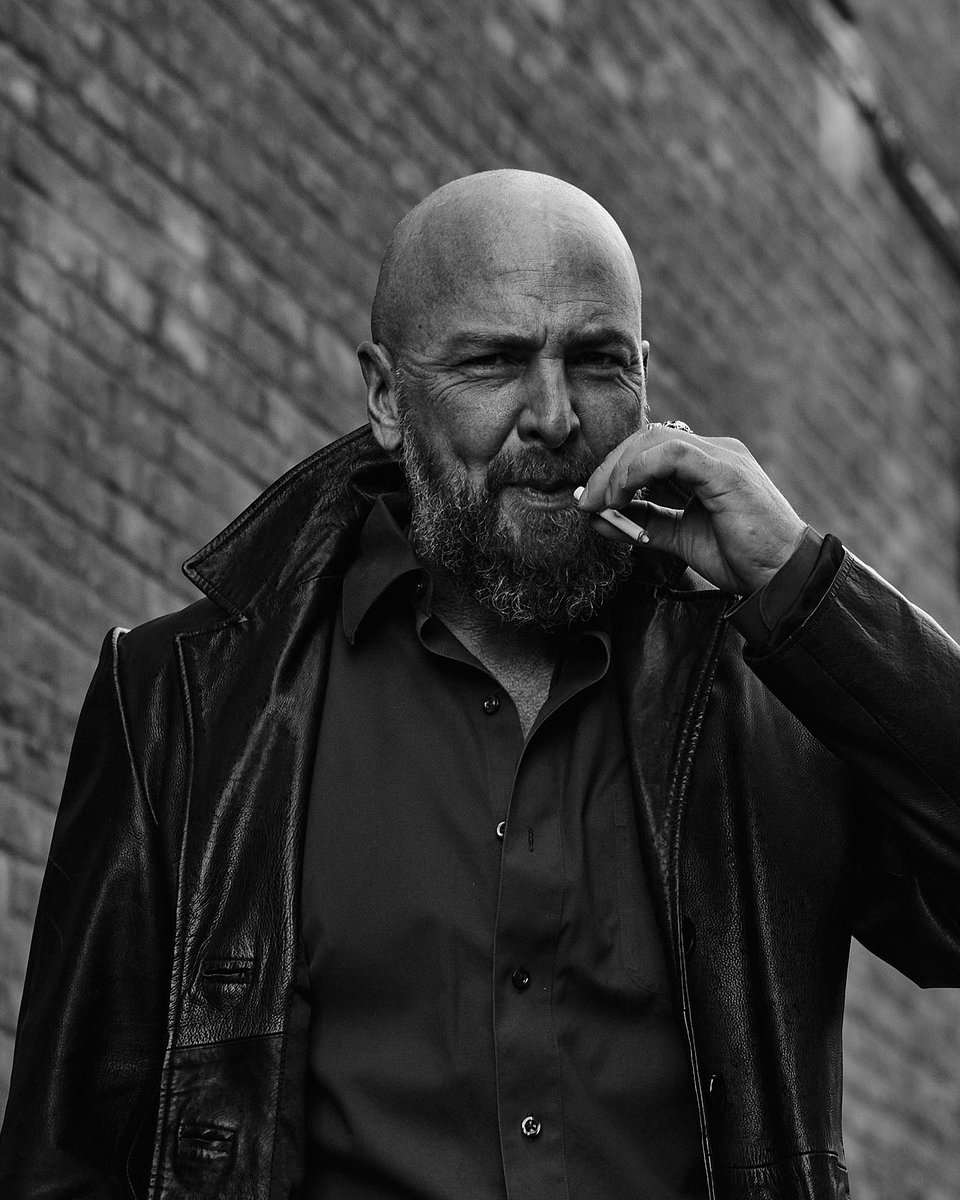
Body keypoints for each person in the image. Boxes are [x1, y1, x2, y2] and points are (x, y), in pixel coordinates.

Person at [1, 169, 959, 1200]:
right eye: (495, 363)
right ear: (384, 396)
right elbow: (67, 1152)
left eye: (597, 362)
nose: (554, 416)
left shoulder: (772, 697)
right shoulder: (183, 703)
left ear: (646, 380)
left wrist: (804, 584)